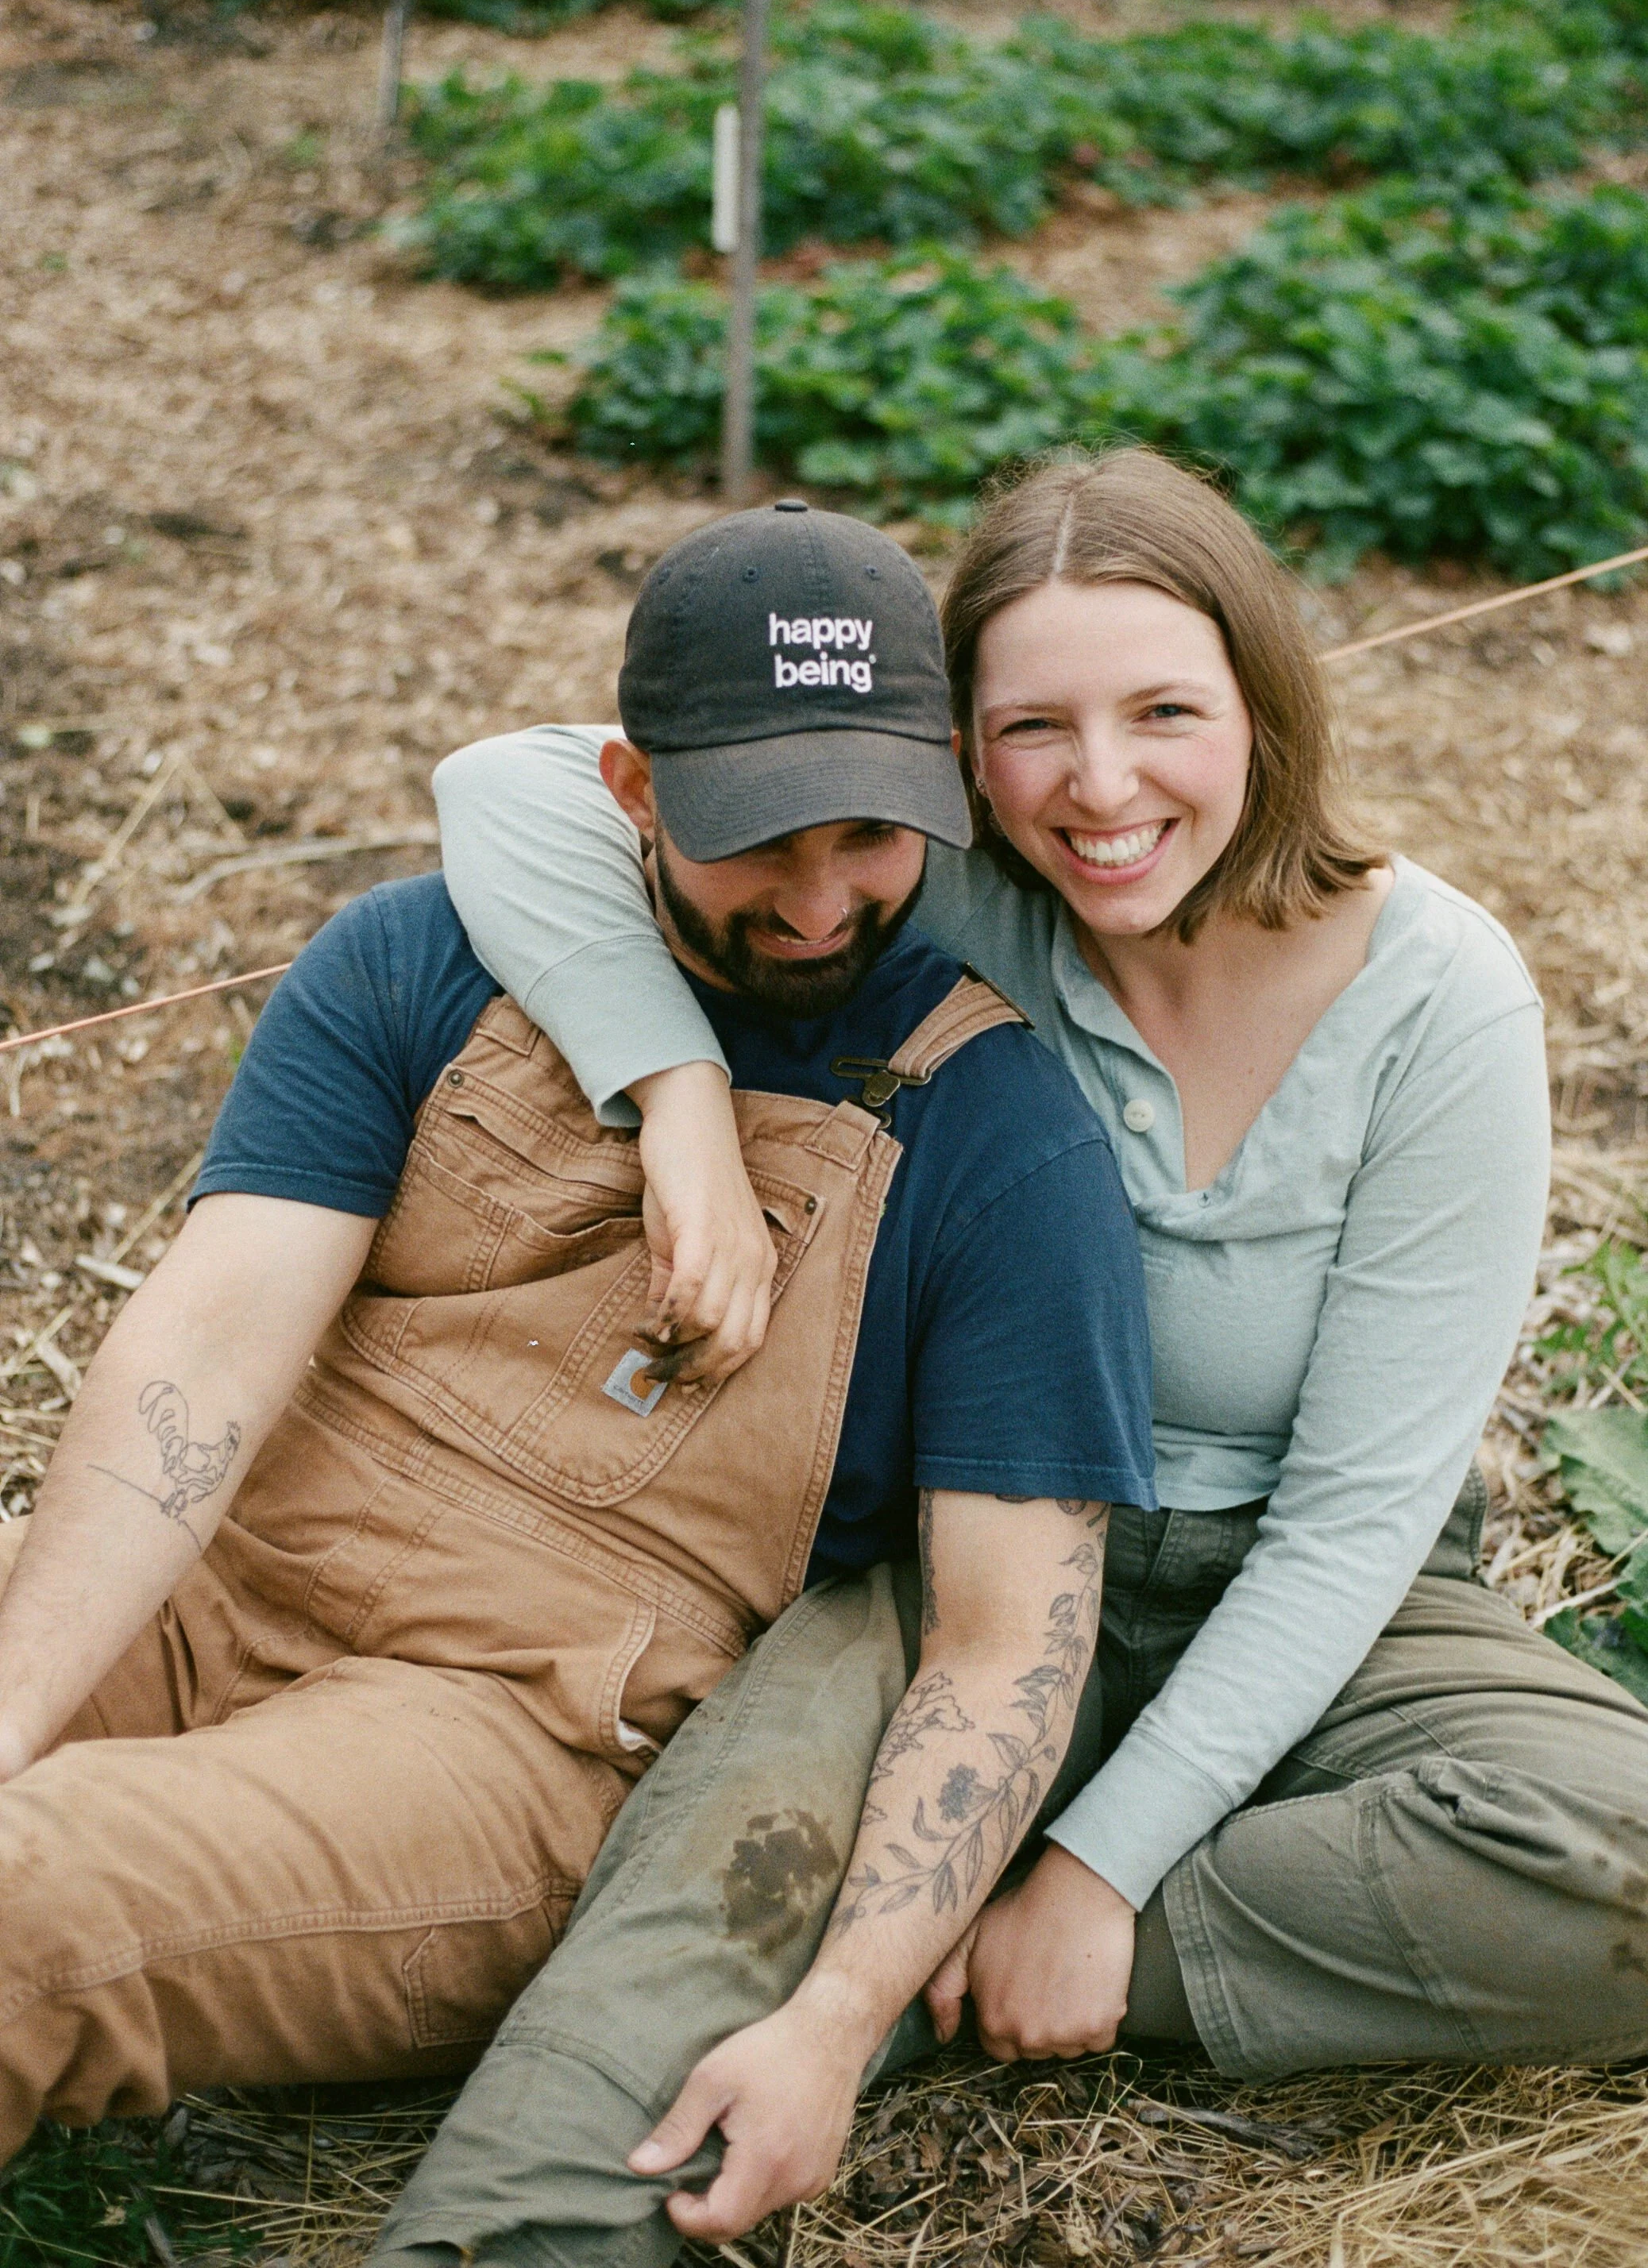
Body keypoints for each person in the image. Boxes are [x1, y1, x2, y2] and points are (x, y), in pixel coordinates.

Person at [399, 444, 1648, 2264]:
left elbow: (1352, 1521)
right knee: (694, 1900)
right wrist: (674, 1096)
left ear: (1261, 705)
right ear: (953, 756)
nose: (1102, 784)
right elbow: (497, 785)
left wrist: (1095, 1878)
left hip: (1320, 1606)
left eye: (1162, 709)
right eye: (1029, 727)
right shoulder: (955, 889)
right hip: (966, 1557)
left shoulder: (1434, 995)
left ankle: (972, 1966)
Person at [0, 503, 1158, 2196]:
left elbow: (1005, 1648)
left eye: (872, 832)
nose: (823, 897)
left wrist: (838, 2011)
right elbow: (203, 1365)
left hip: (505, 1733)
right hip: (223, 1583)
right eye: (758, 837)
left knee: (24, 1897)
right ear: (630, 789)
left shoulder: (1000, 1143)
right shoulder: (415, 957)